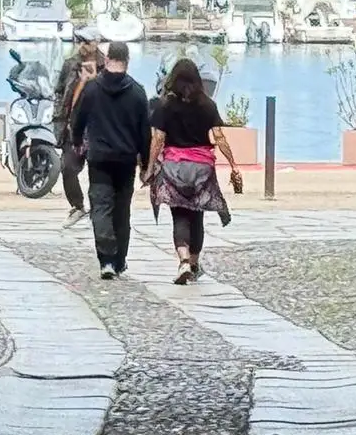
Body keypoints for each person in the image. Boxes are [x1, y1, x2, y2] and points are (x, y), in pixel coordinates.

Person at [146, 58, 240, 285]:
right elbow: (219, 137)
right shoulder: (208, 105)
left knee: (179, 214)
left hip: (174, 167)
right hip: (202, 168)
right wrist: (233, 165)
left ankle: (184, 261)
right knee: (197, 215)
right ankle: (195, 264)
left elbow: (158, 140)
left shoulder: (165, 106)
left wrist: (150, 168)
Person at [70, 40, 150, 279]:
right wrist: (146, 163)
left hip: (99, 158)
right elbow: (144, 132)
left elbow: (78, 118)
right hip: (126, 160)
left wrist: (77, 141)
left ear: (106, 59)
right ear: (127, 61)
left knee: (101, 206)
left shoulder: (92, 89)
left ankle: (106, 258)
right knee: (122, 210)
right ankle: (119, 260)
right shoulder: (137, 92)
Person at [51, 30, 103, 227]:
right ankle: (77, 205)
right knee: (68, 167)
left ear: (96, 42)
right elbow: (59, 91)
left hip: (97, 128)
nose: (81, 46)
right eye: (78, 41)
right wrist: (59, 118)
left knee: (98, 173)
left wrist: (94, 79)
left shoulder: (106, 66)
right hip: (72, 126)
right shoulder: (70, 64)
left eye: (86, 42)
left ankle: (99, 210)